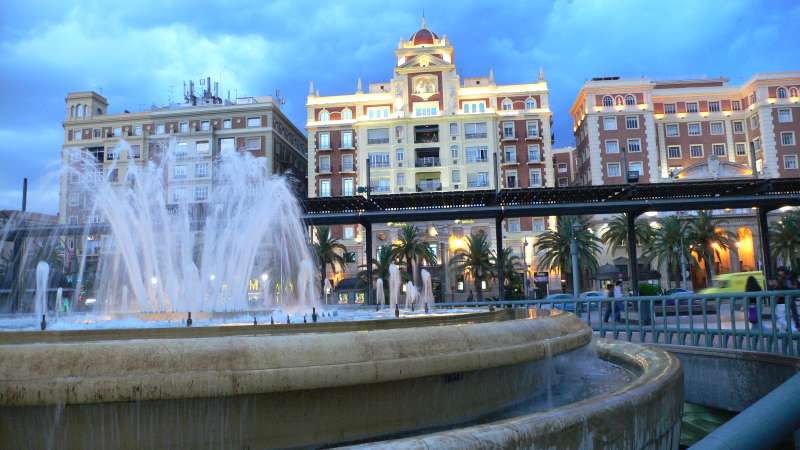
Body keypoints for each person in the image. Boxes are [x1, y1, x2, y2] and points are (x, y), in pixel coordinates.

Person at [774, 267, 799, 332]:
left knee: (788, 314)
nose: (779, 273)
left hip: (787, 298)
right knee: (791, 313)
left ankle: (794, 328)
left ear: (783, 271)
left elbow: (787, 287)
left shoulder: (786, 279)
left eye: (780, 271)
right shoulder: (785, 278)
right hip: (787, 298)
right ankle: (794, 327)